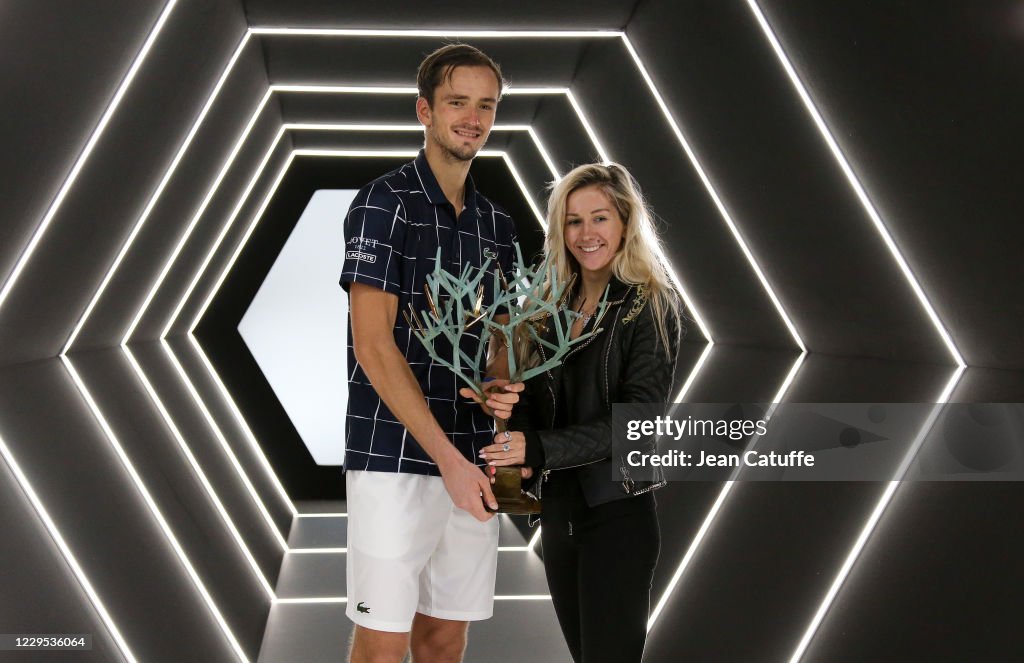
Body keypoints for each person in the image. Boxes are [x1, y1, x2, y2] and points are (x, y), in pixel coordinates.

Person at [339, 43, 524, 663]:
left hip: (472, 458)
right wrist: (444, 457)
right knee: (383, 642)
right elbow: (372, 344)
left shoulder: (497, 224)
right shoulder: (381, 204)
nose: (473, 118)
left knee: (447, 636)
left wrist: (501, 385)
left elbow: (500, 341)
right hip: (393, 456)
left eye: (486, 105)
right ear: (424, 110)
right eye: (457, 102)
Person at [480, 163, 683, 663]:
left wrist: (541, 448)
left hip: (617, 515)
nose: (586, 234)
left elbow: (638, 421)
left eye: (600, 218)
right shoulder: (550, 305)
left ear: (625, 223)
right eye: (573, 221)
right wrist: (521, 447)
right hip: (559, 514)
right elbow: (531, 401)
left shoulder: (648, 305)